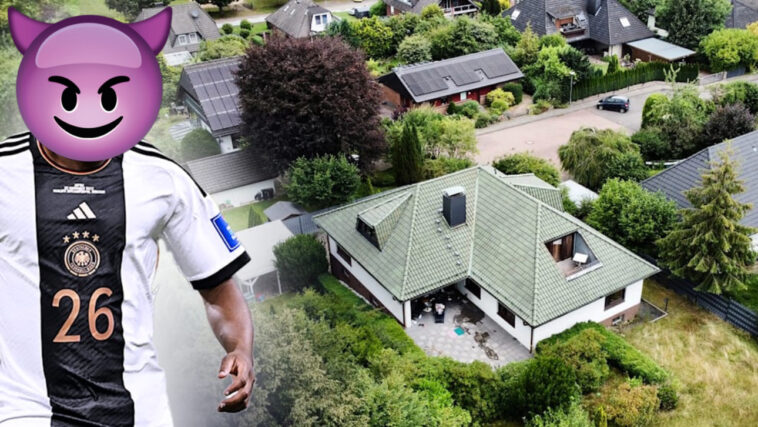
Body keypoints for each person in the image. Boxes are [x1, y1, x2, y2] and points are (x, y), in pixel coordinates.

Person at [1, 7, 254, 426]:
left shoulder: (164, 178)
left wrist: (240, 349)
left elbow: (217, 286)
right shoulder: (5, 172)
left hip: (140, 411)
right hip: (27, 411)